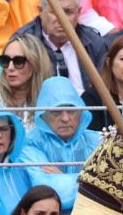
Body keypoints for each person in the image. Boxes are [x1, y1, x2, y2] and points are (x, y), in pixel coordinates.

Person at [12, 0, 107, 91]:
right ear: (40, 11)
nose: (62, 19)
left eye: (68, 12)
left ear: (78, 12)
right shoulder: (22, 44)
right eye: (54, 12)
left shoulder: (94, 42)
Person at [23, 75, 101, 204]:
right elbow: (48, 193)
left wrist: (62, 178)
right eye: (56, 111)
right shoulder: (30, 144)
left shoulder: (97, 141)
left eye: (71, 109)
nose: (65, 118)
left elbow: (113, 188)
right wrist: (91, 182)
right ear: (43, 115)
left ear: (81, 112)